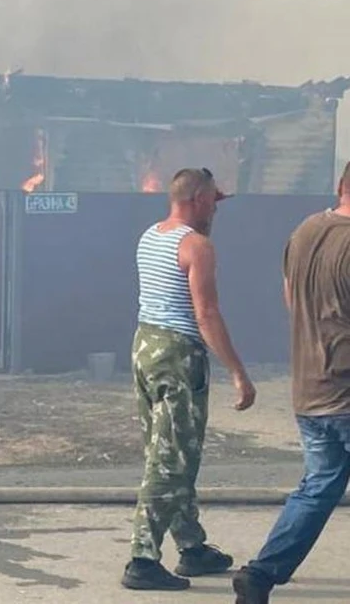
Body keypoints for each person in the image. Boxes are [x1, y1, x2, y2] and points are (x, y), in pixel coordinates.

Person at [122, 167, 257, 591]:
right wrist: (239, 373)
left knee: (165, 451)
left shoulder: (150, 236)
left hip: (145, 348)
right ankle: (142, 560)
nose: (216, 209)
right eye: (214, 200)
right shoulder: (197, 246)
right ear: (197, 198)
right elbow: (206, 315)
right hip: (179, 355)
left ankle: (192, 547)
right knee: (172, 460)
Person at [232, 161, 350, 603]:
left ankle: (260, 575)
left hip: (309, 388)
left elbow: (289, 296)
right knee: (319, 485)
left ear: (340, 186)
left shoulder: (304, 231)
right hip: (346, 389)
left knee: (319, 485)